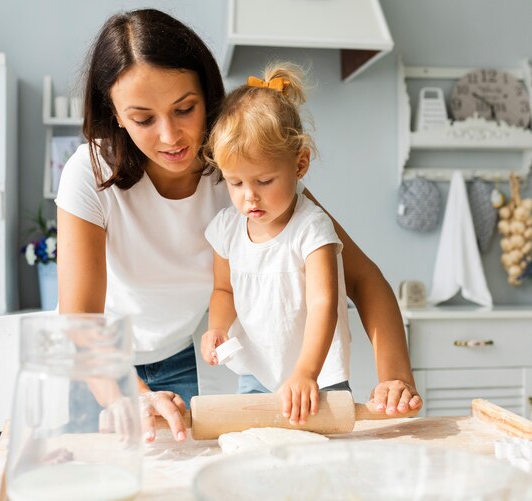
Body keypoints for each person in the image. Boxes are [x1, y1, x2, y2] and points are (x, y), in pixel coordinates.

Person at [56, 8, 422, 443]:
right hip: (96, 365)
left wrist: (396, 377)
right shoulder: (90, 173)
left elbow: (363, 279)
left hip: (178, 360)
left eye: (184, 109)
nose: (171, 136)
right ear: (114, 112)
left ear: (206, 97)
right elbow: (82, 322)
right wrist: (128, 395)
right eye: (143, 118)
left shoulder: (237, 173)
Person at [200, 63, 350, 426]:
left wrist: (305, 373)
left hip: (318, 377)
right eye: (235, 183)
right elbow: (223, 289)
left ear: (299, 164)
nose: (249, 196)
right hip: (256, 372)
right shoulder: (227, 230)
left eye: (264, 180)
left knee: (318, 459)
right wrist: (217, 328)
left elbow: (323, 304)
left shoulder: (311, 229)